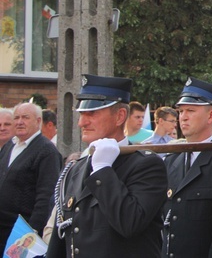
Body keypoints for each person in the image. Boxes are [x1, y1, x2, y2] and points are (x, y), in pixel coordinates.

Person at [46, 74, 168, 257]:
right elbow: (62, 236)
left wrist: (103, 169)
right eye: (81, 114)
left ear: (119, 116)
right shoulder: (75, 168)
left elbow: (130, 223)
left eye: (91, 113)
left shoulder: (146, 165)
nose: (82, 122)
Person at [161, 77, 212, 258]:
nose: (183, 117)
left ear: (210, 116)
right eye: (181, 111)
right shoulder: (172, 160)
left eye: (191, 110)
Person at [0, 102, 61, 247]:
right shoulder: (10, 146)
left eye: (25, 117)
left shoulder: (46, 151)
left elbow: (46, 196)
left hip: (21, 233)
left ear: (38, 121)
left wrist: (31, 231)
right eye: (16, 118)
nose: (20, 122)